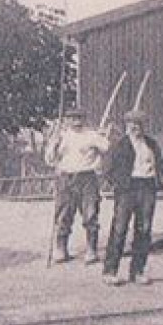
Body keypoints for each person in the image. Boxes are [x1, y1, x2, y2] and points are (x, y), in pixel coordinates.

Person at [102, 111, 163, 286]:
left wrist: (158, 179)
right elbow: (107, 167)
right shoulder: (119, 145)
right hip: (127, 189)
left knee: (144, 229)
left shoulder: (151, 144)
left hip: (147, 187)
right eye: (132, 124)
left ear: (144, 126)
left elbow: (160, 163)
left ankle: (137, 271)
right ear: (126, 125)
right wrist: (117, 184)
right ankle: (110, 270)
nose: (136, 127)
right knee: (120, 228)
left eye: (139, 124)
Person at [45, 109, 110, 264]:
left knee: (90, 214)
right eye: (72, 118)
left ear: (84, 119)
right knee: (63, 214)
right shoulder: (61, 136)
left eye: (79, 118)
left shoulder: (91, 135)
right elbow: (49, 159)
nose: (76, 121)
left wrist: (102, 136)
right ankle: (61, 249)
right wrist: (53, 143)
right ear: (66, 120)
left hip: (87, 177)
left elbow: (107, 148)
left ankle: (92, 250)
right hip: (65, 178)